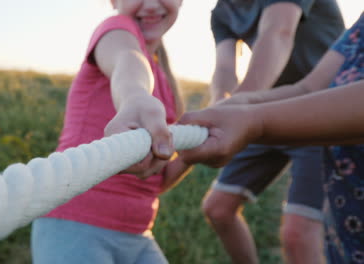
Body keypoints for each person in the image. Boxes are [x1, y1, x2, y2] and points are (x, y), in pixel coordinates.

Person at [179, 13, 363, 264]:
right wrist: (231, 106)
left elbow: (278, 32)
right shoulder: (359, 29)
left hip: (309, 124)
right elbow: (307, 88)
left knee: (297, 234)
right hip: (347, 230)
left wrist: (253, 119)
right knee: (218, 207)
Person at [31, 1, 191, 263]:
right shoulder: (115, 31)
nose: (151, 4)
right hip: (75, 223)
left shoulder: (164, 79)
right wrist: (135, 95)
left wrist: (191, 156)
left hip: (138, 234)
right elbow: (126, 59)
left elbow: (153, 179)